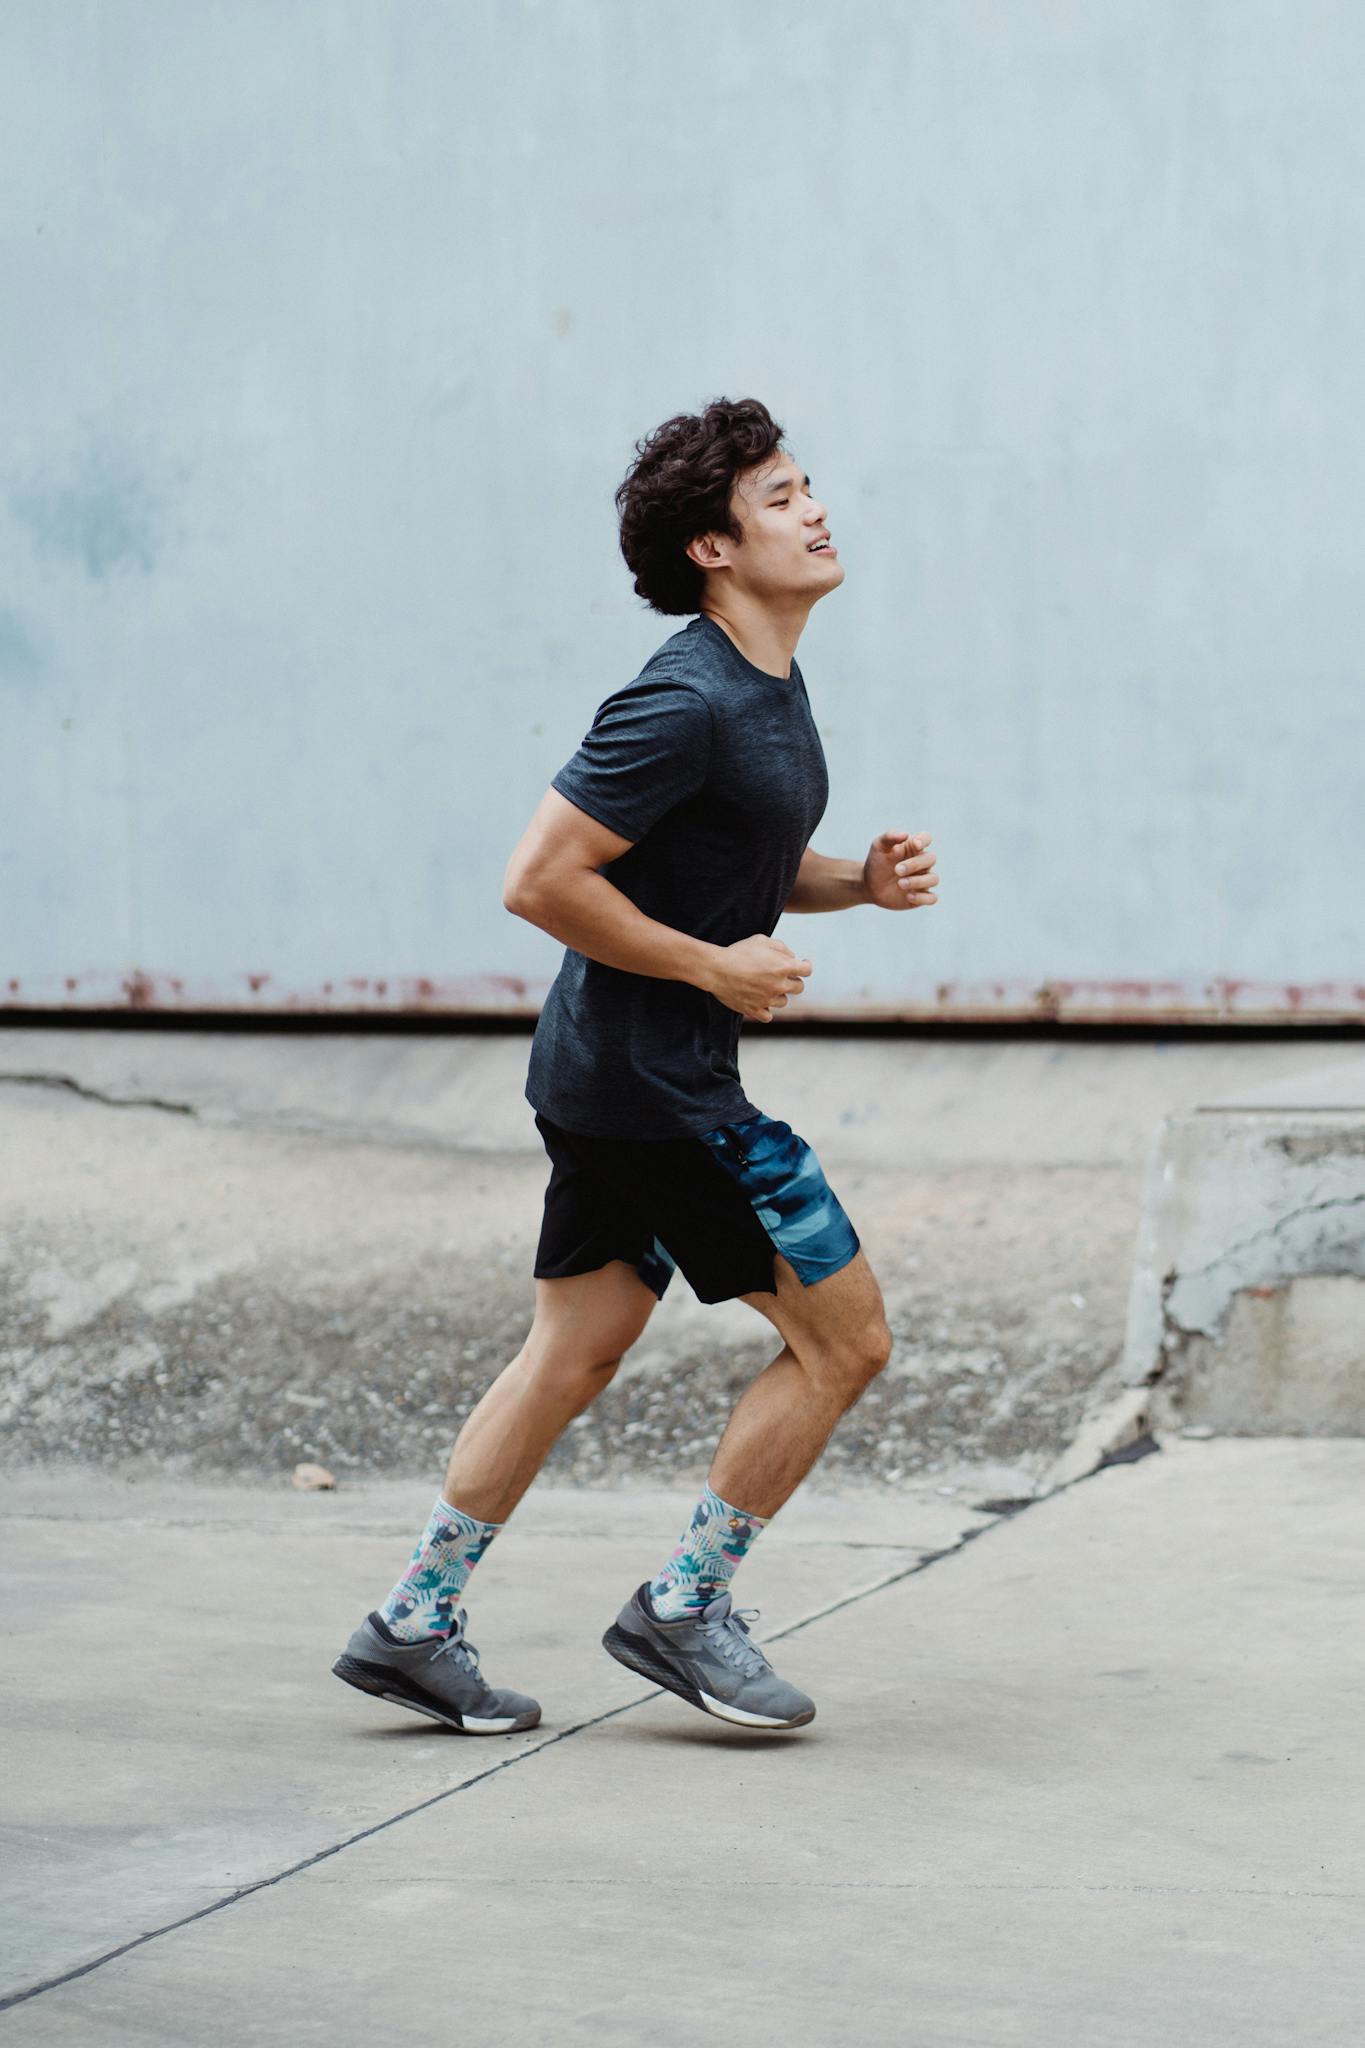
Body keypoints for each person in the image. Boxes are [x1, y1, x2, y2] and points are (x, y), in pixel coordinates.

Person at [332, 396, 940, 1735]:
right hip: (661, 1092)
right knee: (846, 1343)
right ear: (713, 548)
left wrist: (855, 884)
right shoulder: (683, 699)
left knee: (573, 1350)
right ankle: (682, 1607)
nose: (815, 509)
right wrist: (713, 969)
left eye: (805, 485)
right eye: (780, 497)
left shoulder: (762, 680)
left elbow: (720, 850)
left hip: (603, 1079)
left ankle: (412, 1624)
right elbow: (540, 879)